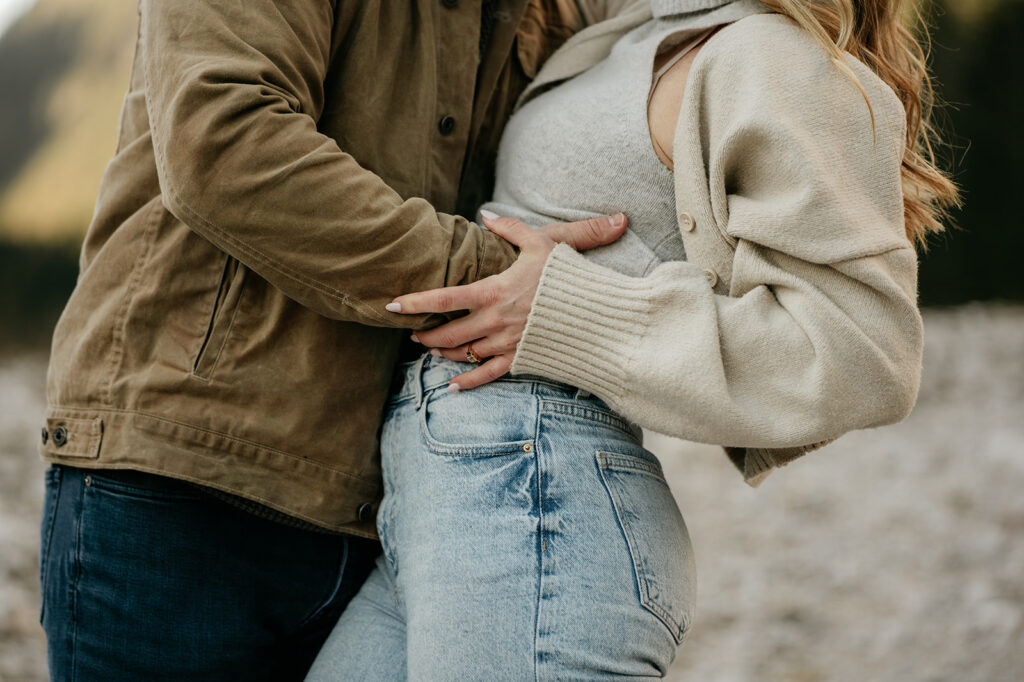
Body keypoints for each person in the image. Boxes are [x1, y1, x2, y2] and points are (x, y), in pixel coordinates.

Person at [306, 0, 959, 678]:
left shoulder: (770, 56)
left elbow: (868, 353)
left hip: (534, 498)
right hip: (438, 500)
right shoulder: (644, 24)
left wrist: (565, 311)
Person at [36, 2, 636, 680]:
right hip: (178, 482)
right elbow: (225, 144)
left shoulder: (549, 12)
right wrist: (501, 275)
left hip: (390, 509)